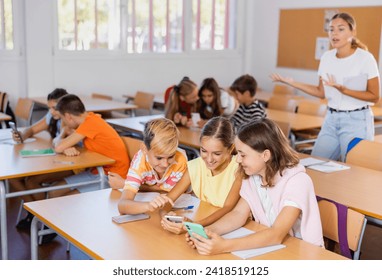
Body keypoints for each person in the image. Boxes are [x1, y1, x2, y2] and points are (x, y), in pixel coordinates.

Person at [186, 118, 324, 255]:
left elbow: (276, 234)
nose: (238, 160)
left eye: (243, 155)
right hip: (271, 247)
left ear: (265, 155)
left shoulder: (298, 181)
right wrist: (206, 233)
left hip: (301, 252)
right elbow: (238, 214)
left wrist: (223, 246)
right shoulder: (253, 177)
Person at [270, 12, 380, 161]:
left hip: (357, 120)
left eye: (340, 29)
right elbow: (320, 92)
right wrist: (290, 82)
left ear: (353, 32)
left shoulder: (365, 58)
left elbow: (374, 96)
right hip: (331, 119)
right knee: (315, 162)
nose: (334, 33)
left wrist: (344, 90)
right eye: (331, 29)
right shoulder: (327, 57)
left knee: (354, 168)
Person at [158, 117, 242, 234]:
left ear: (231, 148)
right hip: (205, 222)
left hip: (229, 228)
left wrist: (194, 225)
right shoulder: (196, 166)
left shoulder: (239, 169)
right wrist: (166, 217)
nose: (209, 159)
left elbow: (228, 208)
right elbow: (168, 199)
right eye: (203, 151)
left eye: (217, 153)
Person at [10, 88, 75, 230]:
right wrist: (22, 136)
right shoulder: (52, 116)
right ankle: (34, 213)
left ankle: (47, 221)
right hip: (55, 159)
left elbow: (64, 144)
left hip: (72, 164)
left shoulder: (70, 120)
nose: (51, 111)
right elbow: (32, 129)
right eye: (49, 107)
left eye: (54, 108)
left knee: (32, 180)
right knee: (13, 178)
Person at [49, 94, 130, 197]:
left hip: (113, 177)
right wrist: (65, 147)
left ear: (68, 117)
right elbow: (60, 145)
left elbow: (58, 147)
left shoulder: (89, 124)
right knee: (53, 192)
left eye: (62, 119)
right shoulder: (90, 117)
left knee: (63, 197)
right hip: (98, 170)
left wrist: (63, 143)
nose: (63, 123)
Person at [113, 118, 188, 215]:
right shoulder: (140, 162)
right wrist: (148, 205)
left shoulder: (180, 160)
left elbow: (177, 194)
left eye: (170, 156)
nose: (165, 164)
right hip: (157, 212)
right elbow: (122, 205)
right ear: (144, 149)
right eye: (159, 158)